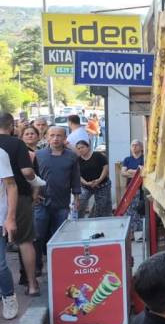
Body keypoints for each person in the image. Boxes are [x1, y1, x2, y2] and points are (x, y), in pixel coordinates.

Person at [0, 113, 40, 296]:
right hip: (20, 196)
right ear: (11, 126)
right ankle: (32, 285)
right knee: (25, 240)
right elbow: (27, 172)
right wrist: (36, 181)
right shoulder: (16, 144)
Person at [34, 126, 81, 272]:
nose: (55, 138)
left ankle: (58, 266)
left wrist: (77, 197)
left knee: (59, 236)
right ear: (47, 137)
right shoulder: (39, 154)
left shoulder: (71, 156)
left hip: (62, 203)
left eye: (59, 135)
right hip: (41, 202)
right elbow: (32, 176)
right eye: (52, 135)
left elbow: (75, 178)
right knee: (38, 235)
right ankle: (37, 265)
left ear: (65, 138)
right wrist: (34, 193)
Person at [0, 147, 20, 319]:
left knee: (0, 264)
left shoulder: (0, 154)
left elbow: (11, 186)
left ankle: (8, 295)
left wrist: (10, 218)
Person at [75, 141, 111, 218]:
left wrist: (99, 180)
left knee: (101, 206)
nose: (81, 149)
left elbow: (105, 168)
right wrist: (87, 183)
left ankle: (92, 219)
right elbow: (78, 175)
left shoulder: (98, 155)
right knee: (81, 202)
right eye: (78, 148)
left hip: (102, 185)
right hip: (86, 186)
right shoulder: (77, 160)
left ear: (88, 147)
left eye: (82, 147)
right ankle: (79, 220)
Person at [122, 140, 145, 234]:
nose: (134, 147)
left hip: (142, 187)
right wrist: (136, 172)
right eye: (132, 145)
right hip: (131, 188)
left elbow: (144, 172)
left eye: (136, 145)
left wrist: (131, 171)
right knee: (131, 209)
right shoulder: (127, 159)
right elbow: (123, 173)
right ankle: (134, 230)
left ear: (141, 147)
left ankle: (140, 230)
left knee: (141, 208)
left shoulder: (144, 158)